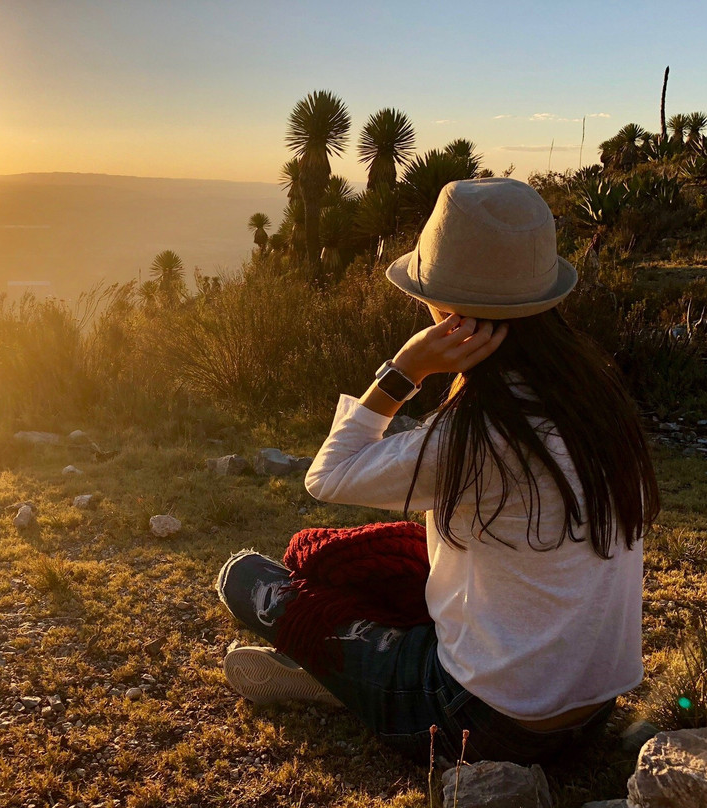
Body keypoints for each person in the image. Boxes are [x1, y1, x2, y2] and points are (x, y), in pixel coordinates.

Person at [216, 177, 660, 765]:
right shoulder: (595, 401)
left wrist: (403, 370)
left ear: (447, 313)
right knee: (378, 558)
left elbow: (327, 476)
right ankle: (355, 672)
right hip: (593, 710)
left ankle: (340, 683)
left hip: (484, 722)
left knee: (245, 578)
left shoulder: (478, 434)